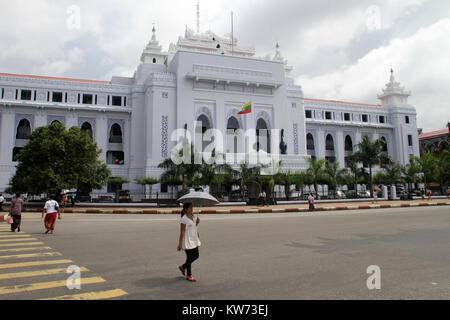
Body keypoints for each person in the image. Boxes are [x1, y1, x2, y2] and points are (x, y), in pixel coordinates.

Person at [177, 203, 201, 282]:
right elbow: (182, 231)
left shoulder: (193, 216)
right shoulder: (184, 219)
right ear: (186, 209)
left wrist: (197, 222)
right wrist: (180, 243)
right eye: (190, 208)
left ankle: (183, 267)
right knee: (190, 257)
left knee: (196, 255)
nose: (192, 209)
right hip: (187, 240)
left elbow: (194, 227)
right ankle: (189, 275)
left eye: (192, 208)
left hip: (194, 239)